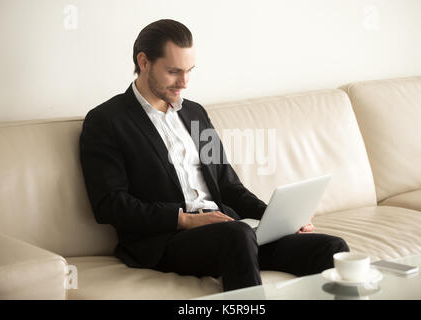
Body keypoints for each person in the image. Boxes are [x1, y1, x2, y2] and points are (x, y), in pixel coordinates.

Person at [79, 19, 349, 292]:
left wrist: (277, 220)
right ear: (144, 62)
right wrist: (185, 219)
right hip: (166, 240)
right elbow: (110, 205)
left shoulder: (194, 114)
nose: (183, 82)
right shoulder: (106, 121)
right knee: (237, 234)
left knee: (331, 248)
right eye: (173, 71)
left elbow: (229, 186)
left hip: (230, 232)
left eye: (189, 71)